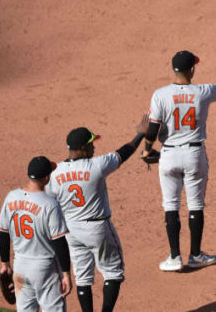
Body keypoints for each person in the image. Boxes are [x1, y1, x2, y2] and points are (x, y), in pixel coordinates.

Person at [141, 44, 216, 271]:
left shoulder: (160, 95)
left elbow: (152, 127)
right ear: (192, 70)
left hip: (169, 154)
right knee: (196, 206)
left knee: (170, 206)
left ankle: (174, 257)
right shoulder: (202, 92)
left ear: (174, 71)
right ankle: (195, 255)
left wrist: (146, 150)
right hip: (194, 154)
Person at [44, 117, 151, 312]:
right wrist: (141, 133)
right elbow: (124, 152)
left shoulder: (55, 173)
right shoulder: (96, 165)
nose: (94, 148)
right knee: (113, 273)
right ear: (83, 148)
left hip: (71, 231)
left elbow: (50, 204)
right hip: (98, 228)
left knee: (83, 278)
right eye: (91, 144)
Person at [0, 156, 72, 312]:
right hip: (44, 268)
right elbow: (59, 242)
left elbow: (3, 234)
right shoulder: (50, 204)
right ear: (46, 177)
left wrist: (5, 263)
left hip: (20, 266)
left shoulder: (11, 197)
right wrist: (66, 274)